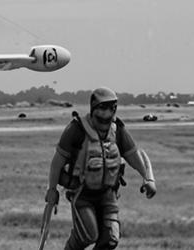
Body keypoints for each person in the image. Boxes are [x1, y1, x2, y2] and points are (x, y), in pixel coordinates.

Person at [44, 87, 157, 250]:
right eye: (101, 109)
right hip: (82, 193)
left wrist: (147, 178)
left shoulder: (117, 130)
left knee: (111, 239)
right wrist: (52, 189)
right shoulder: (76, 129)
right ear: (94, 109)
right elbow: (57, 162)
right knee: (88, 235)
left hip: (108, 194)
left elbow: (132, 154)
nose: (105, 115)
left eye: (110, 110)